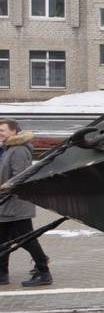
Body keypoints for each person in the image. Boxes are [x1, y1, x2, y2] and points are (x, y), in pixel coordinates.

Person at [0, 118, 53, 287]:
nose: (0, 133)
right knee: (2, 240)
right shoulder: (8, 149)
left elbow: (20, 177)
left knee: (27, 239)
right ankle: (2, 274)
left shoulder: (18, 151)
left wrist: (5, 187)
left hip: (17, 204)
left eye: (2, 130)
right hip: (7, 204)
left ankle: (44, 272)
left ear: (14, 131)